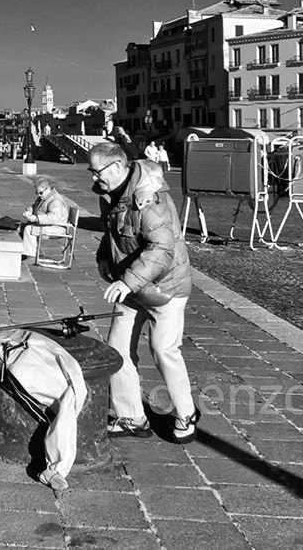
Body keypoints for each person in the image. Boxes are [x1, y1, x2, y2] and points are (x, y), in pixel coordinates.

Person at [86, 141, 199, 443]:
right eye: (91, 171)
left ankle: (186, 414)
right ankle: (131, 417)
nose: (94, 178)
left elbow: (161, 248)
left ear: (119, 167)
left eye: (98, 172)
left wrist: (126, 282)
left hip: (166, 287)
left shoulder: (150, 200)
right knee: (117, 350)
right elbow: (112, 233)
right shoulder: (111, 194)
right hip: (133, 286)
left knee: (163, 350)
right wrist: (102, 258)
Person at [20, 176, 72, 259]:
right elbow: (34, 206)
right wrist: (29, 211)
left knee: (29, 229)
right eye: (37, 193)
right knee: (21, 227)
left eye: (40, 192)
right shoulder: (45, 196)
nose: (39, 195)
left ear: (47, 188)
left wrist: (36, 218)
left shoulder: (55, 200)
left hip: (57, 227)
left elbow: (53, 218)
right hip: (49, 225)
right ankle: (33, 252)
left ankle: (31, 255)